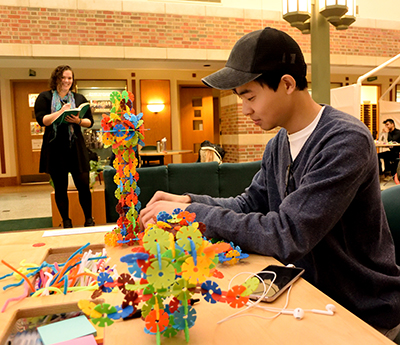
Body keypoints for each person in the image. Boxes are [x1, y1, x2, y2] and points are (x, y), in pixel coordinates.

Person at [140, 27, 400, 339]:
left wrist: (194, 214)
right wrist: (186, 202)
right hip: (307, 294)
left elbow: (286, 234)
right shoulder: (278, 144)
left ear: (287, 84)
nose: (245, 109)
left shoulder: (345, 141)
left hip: (362, 310)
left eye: (250, 96)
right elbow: (246, 205)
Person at [35, 65, 95, 228]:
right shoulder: (45, 97)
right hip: (55, 148)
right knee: (60, 187)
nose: (67, 81)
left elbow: (90, 122)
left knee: (83, 185)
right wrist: (60, 112)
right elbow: (42, 120)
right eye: (63, 77)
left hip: (75, 146)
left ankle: (89, 220)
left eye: (69, 78)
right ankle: (66, 221)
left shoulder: (79, 98)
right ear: (56, 79)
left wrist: (78, 121)